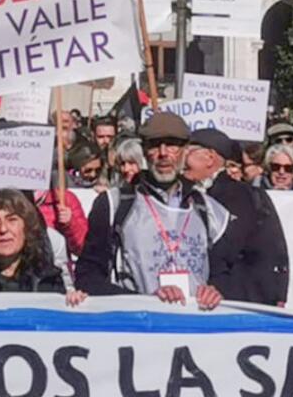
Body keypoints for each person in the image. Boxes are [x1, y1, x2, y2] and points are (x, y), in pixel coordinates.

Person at [77, 115, 229, 309]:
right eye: (155, 145)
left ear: (185, 151)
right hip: (139, 327)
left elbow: (225, 273)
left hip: (195, 327)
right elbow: (88, 275)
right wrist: (144, 301)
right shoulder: (114, 203)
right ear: (144, 150)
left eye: (172, 145)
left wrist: (216, 290)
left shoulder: (208, 209)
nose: (163, 153)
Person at [181, 127, 290, 305]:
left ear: (210, 157)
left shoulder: (234, 196)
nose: (182, 160)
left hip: (236, 304)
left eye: (188, 152)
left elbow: (223, 251)